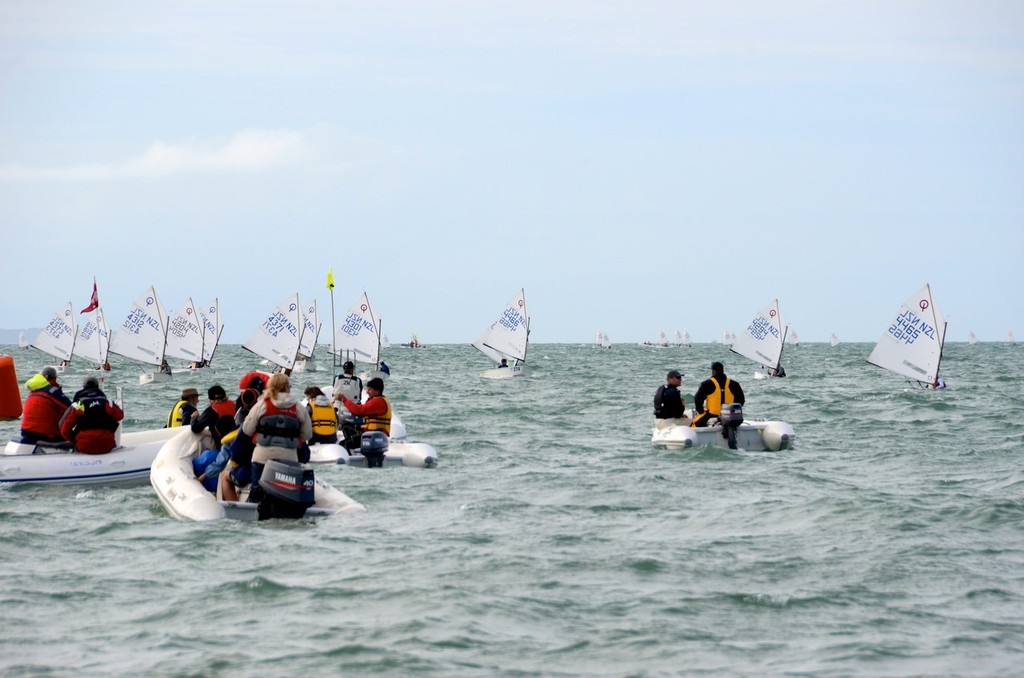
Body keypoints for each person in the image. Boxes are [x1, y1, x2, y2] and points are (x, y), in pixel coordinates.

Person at [241, 372, 312, 478]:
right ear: (287, 387)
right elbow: (307, 435)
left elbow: (247, 429)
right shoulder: (298, 408)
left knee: (256, 491)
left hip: (262, 458)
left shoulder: (261, 405)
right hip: (289, 459)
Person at [59, 376, 124, 454]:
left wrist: (74, 440)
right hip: (106, 445)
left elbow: (64, 430)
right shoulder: (106, 403)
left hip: (83, 446)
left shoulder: (79, 405)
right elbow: (120, 416)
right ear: (97, 387)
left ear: (84, 388)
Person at [20, 366, 72, 444]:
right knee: (73, 437)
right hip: (44, 435)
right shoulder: (53, 391)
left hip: (26, 432)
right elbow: (71, 408)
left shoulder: (33, 391)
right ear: (54, 378)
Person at [691, 361, 745, 428]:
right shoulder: (734, 384)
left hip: (712, 415)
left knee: (693, 423)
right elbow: (741, 400)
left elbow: (697, 399)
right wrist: (733, 412)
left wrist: (701, 411)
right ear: (723, 370)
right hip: (729, 416)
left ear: (713, 371)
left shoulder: (707, 384)